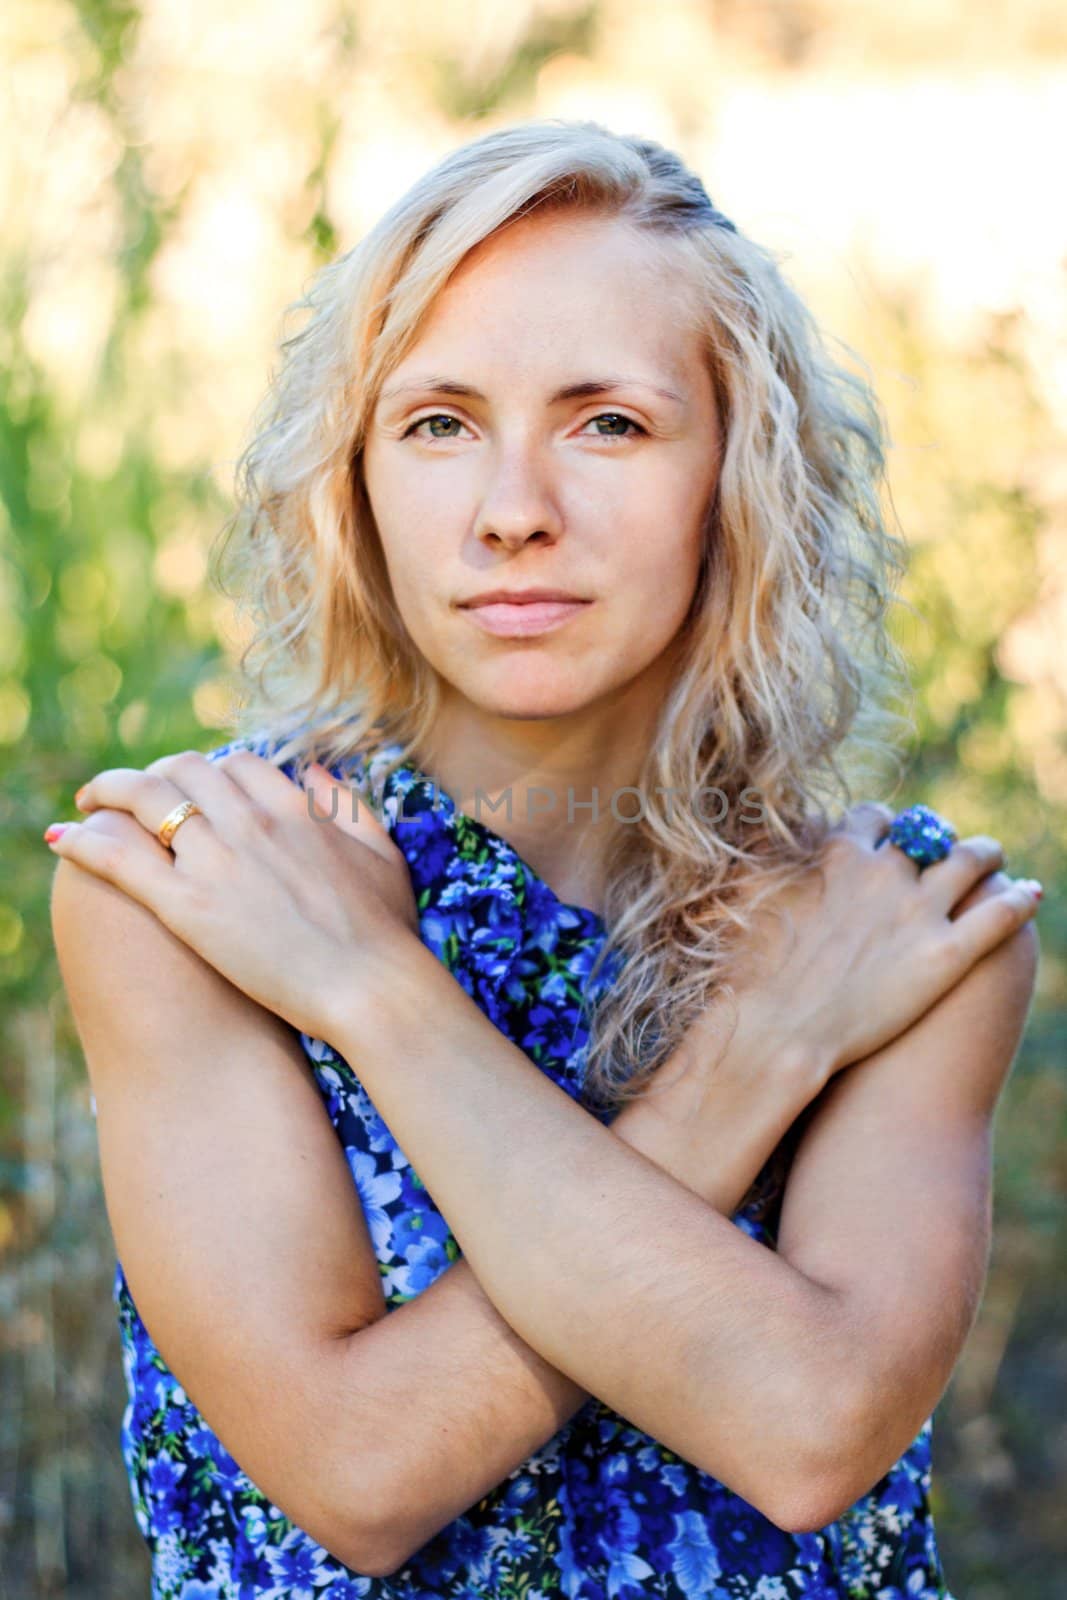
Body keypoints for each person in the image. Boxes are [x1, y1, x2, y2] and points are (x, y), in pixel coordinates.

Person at [47, 120, 1040, 1599]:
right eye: (439, 423)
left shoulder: (894, 921)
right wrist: (750, 1060)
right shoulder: (199, 884)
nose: (515, 510)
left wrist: (367, 992)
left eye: (610, 424)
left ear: (737, 473)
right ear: (358, 481)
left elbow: (811, 1427)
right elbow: (360, 1473)